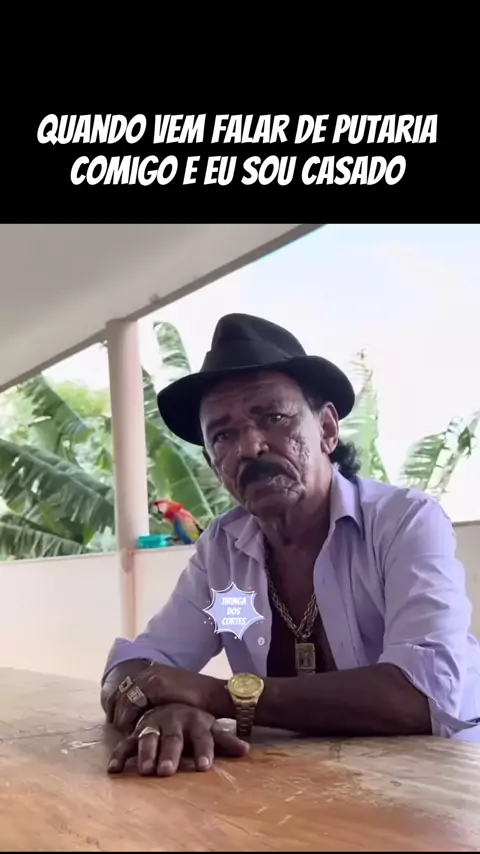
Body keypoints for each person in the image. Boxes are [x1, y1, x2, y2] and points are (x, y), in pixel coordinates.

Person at [101, 313, 480, 778]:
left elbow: (424, 694)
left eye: (274, 417)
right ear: (212, 462)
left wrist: (217, 696)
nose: (249, 447)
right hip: (290, 788)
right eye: (223, 435)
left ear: (327, 429)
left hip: (435, 783)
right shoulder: (223, 551)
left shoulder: (403, 522)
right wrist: (160, 709)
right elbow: (135, 667)